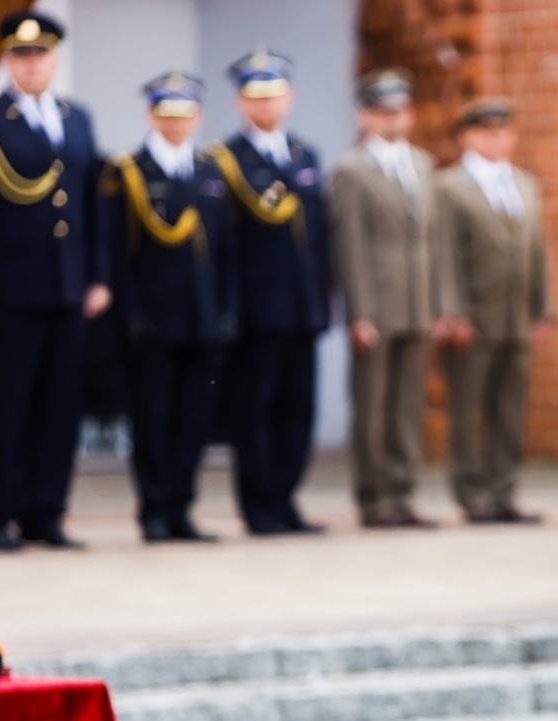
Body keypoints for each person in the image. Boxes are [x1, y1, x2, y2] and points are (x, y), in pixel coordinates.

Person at [0, 11, 110, 552]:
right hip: (9, 289)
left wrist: (98, 274)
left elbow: (91, 202)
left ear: (54, 60)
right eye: (21, 55)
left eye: (40, 55)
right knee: (6, 406)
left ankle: (45, 512)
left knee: (59, 405)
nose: (31, 64)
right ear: (8, 61)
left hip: (67, 285)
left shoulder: (76, 118)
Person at [103, 73, 235, 544]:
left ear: (197, 117)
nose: (176, 123)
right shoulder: (129, 172)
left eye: (185, 115)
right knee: (153, 419)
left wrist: (226, 308)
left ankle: (182, 508)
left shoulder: (210, 171)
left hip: (201, 318)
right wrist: (131, 313)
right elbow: (117, 253)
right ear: (151, 116)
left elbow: (226, 250)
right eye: (167, 115)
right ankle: (155, 509)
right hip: (154, 319)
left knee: (192, 420)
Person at [212, 47, 329, 536]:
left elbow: (319, 238)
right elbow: (223, 243)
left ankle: (285, 499)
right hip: (257, 310)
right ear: (240, 102)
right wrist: (230, 308)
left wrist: (323, 299)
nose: (266, 104)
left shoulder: (304, 155)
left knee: (297, 409)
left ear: (289, 97)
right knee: (256, 410)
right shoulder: (225, 160)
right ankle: (259, 505)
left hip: (303, 307)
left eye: (274, 94)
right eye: (256, 96)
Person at [432, 98, 549, 525]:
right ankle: (472, 493)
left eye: (503, 131)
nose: (496, 139)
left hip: (515, 317)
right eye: (486, 131)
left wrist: (542, 310)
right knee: (468, 411)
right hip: (473, 318)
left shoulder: (524, 184)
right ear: (467, 137)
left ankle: (502, 492)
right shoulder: (448, 186)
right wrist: (451, 311)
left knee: (509, 410)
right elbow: (443, 253)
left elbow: (536, 252)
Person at [331, 69, 439, 529]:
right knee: (372, 407)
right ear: (366, 115)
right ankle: (373, 498)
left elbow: (432, 242)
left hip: (416, 304)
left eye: (400, 109)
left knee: (407, 407)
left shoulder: (422, 164)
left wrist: (437, 304)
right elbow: (349, 245)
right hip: (377, 306)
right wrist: (359, 312)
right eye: (384, 110)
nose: (394, 118)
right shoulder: (352, 170)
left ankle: (402, 493)